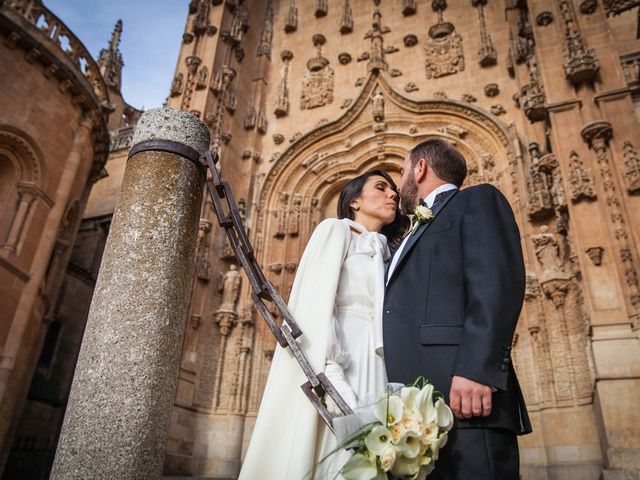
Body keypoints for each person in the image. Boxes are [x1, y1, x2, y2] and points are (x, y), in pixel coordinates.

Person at [239, 170, 408, 480]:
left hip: (379, 359)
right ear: (354, 200)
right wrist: (331, 368)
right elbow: (319, 301)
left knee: (374, 454)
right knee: (338, 446)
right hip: (342, 356)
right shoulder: (336, 231)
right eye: (381, 188)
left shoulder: (387, 251)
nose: (393, 195)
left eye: (394, 190)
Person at [384, 139, 532, 479]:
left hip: (463, 394)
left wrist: (478, 369)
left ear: (420, 169)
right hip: (411, 410)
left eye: (402, 171)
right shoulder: (411, 231)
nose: (398, 184)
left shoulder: (476, 201)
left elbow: (496, 283)